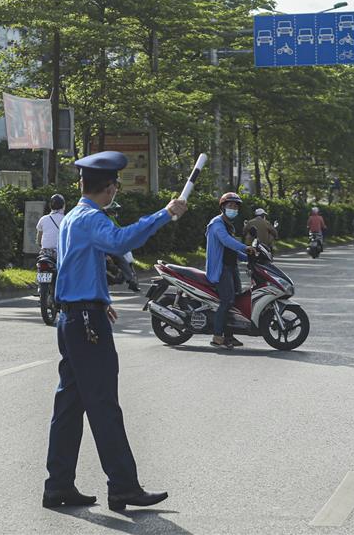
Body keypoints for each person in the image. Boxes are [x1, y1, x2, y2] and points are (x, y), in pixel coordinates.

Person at [44, 152, 187, 512]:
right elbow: (121, 241)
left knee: (69, 406)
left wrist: (96, 299)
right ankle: (123, 487)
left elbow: (75, 267)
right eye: (115, 188)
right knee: (104, 405)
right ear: (109, 189)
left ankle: (57, 485)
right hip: (86, 322)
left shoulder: (73, 216)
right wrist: (165, 213)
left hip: (73, 317)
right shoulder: (92, 218)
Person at [205, 192, 254, 349]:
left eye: (235, 206)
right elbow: (226, 241)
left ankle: (229, 336)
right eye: (230, 205)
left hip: (231, 267)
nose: (233, 209)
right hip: (221, 269)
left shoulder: (229, 225)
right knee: (227, 300)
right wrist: (245, 248)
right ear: (223, 207)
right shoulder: (217, 224)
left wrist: (248, 257)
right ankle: (217, 336)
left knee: (236, 300)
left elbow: (231, 249)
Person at [103, 201, 141, 292]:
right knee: (120, 259)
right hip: (103, 247)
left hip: (108, 245)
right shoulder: (102, 218)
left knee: (119, 259)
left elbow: (118, 228)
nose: (115, 212)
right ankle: (130, 281)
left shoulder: (110, 217)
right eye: (113, 210)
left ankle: (128, 280)